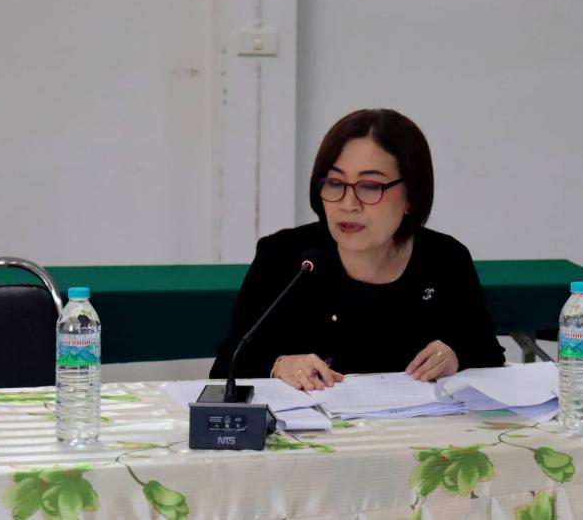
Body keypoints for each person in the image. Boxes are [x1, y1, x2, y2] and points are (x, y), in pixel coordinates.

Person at [209, 108, 505, 390]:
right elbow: (227, 367)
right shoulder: (285, 255)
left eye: (369, 186)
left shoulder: (445, 259)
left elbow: (486, 352)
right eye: (335, 182)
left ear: (412, 196)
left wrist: (455, 356)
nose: (348, 204)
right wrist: (280, 364)